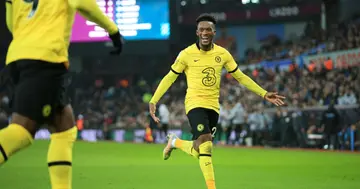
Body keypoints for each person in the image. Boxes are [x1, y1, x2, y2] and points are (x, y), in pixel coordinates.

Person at [148, 13, 285, 189]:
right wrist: (154, 100)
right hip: (194, 103)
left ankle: (175, 142)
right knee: (206, 143)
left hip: (213, 106)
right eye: (201, 29)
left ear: (214, 32)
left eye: (208, 30)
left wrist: (264, 93)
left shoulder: (223, 53)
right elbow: (169, 78)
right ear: (197, 32)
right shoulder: (186, 54)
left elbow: (240, 77)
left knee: (201, 148)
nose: (205, 32)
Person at [0, 0, 123, 188]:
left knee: (64, 128)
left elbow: (10, 21)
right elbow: (85, 5)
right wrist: (113, 31)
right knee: (22, 130)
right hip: (46, 57)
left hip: (19, 56)